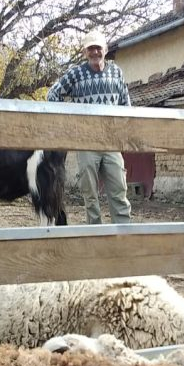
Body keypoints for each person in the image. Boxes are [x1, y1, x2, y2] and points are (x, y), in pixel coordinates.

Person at [47, 31, 132, 224]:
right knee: (90, 194)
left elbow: (125, 106)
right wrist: (72, 119)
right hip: (86, 143)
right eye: (90, 48)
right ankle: (95, 235)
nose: (95, 52)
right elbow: (52, 95)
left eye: (98, 48)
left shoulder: (116, 72)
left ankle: (124, 237)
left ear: (105, 50)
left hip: (111, 144)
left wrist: (123, 135)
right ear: (85, 52)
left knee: (119, 192)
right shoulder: (75, 74)